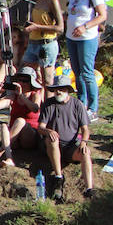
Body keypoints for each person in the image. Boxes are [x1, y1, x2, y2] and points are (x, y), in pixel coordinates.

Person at [38, 73, 96, 201]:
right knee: (52, 139)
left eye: (62, 88)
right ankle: (58, 177)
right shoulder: (48, 104)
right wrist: (48, 131)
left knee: (86, 153)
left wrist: (84, 142)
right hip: (52, 145)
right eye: (56, 89)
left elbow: (85, 129)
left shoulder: (77, 104)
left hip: (71, 146)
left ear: (68, 90)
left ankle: (89, 189)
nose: (58, 91)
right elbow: (40, 127)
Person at [63, 0, 106, 115]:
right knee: (77, 71)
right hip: (71, 37)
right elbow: (69, 11)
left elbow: (102, 15)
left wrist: (85, 27)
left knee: (87, 72)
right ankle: (81, 103)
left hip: (87, 38)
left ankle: (92, 108)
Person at [0, 67, 45, 167]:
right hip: (14, 138)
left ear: (31, 83)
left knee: (20, 121)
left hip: (29, 136)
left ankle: (2, 149)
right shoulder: (13, 96)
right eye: (19, 80)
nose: (21, 83)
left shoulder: (34, 95)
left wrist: (22, 96)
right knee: (3, 125)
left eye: (25, 81)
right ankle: (9, 157)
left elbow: (35, 108)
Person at [22, 0, 63, 87]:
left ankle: (47, 104)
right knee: (25, 75)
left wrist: (37, 27)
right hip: (33, 43)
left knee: (48, 82)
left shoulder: (52, 0)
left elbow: (60, 28)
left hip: (46, 44)